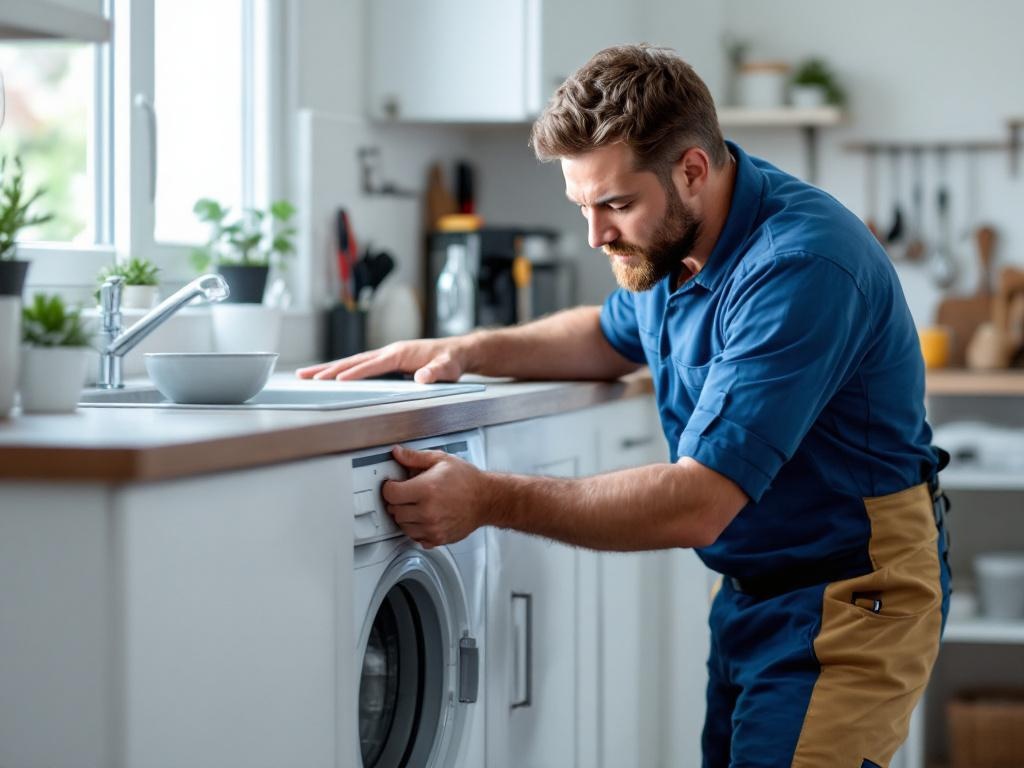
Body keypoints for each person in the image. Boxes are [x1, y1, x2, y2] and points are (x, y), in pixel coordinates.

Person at [298, 44, 950, 768]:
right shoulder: (678, 242)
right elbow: (609, 334)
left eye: (614, 205)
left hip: (853, 590)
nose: (596, 234)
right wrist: (466, 348)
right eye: (581, 206)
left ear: (692, 171)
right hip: (754, 589)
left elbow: (696, 502)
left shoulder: (798, 267)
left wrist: (486, 499)